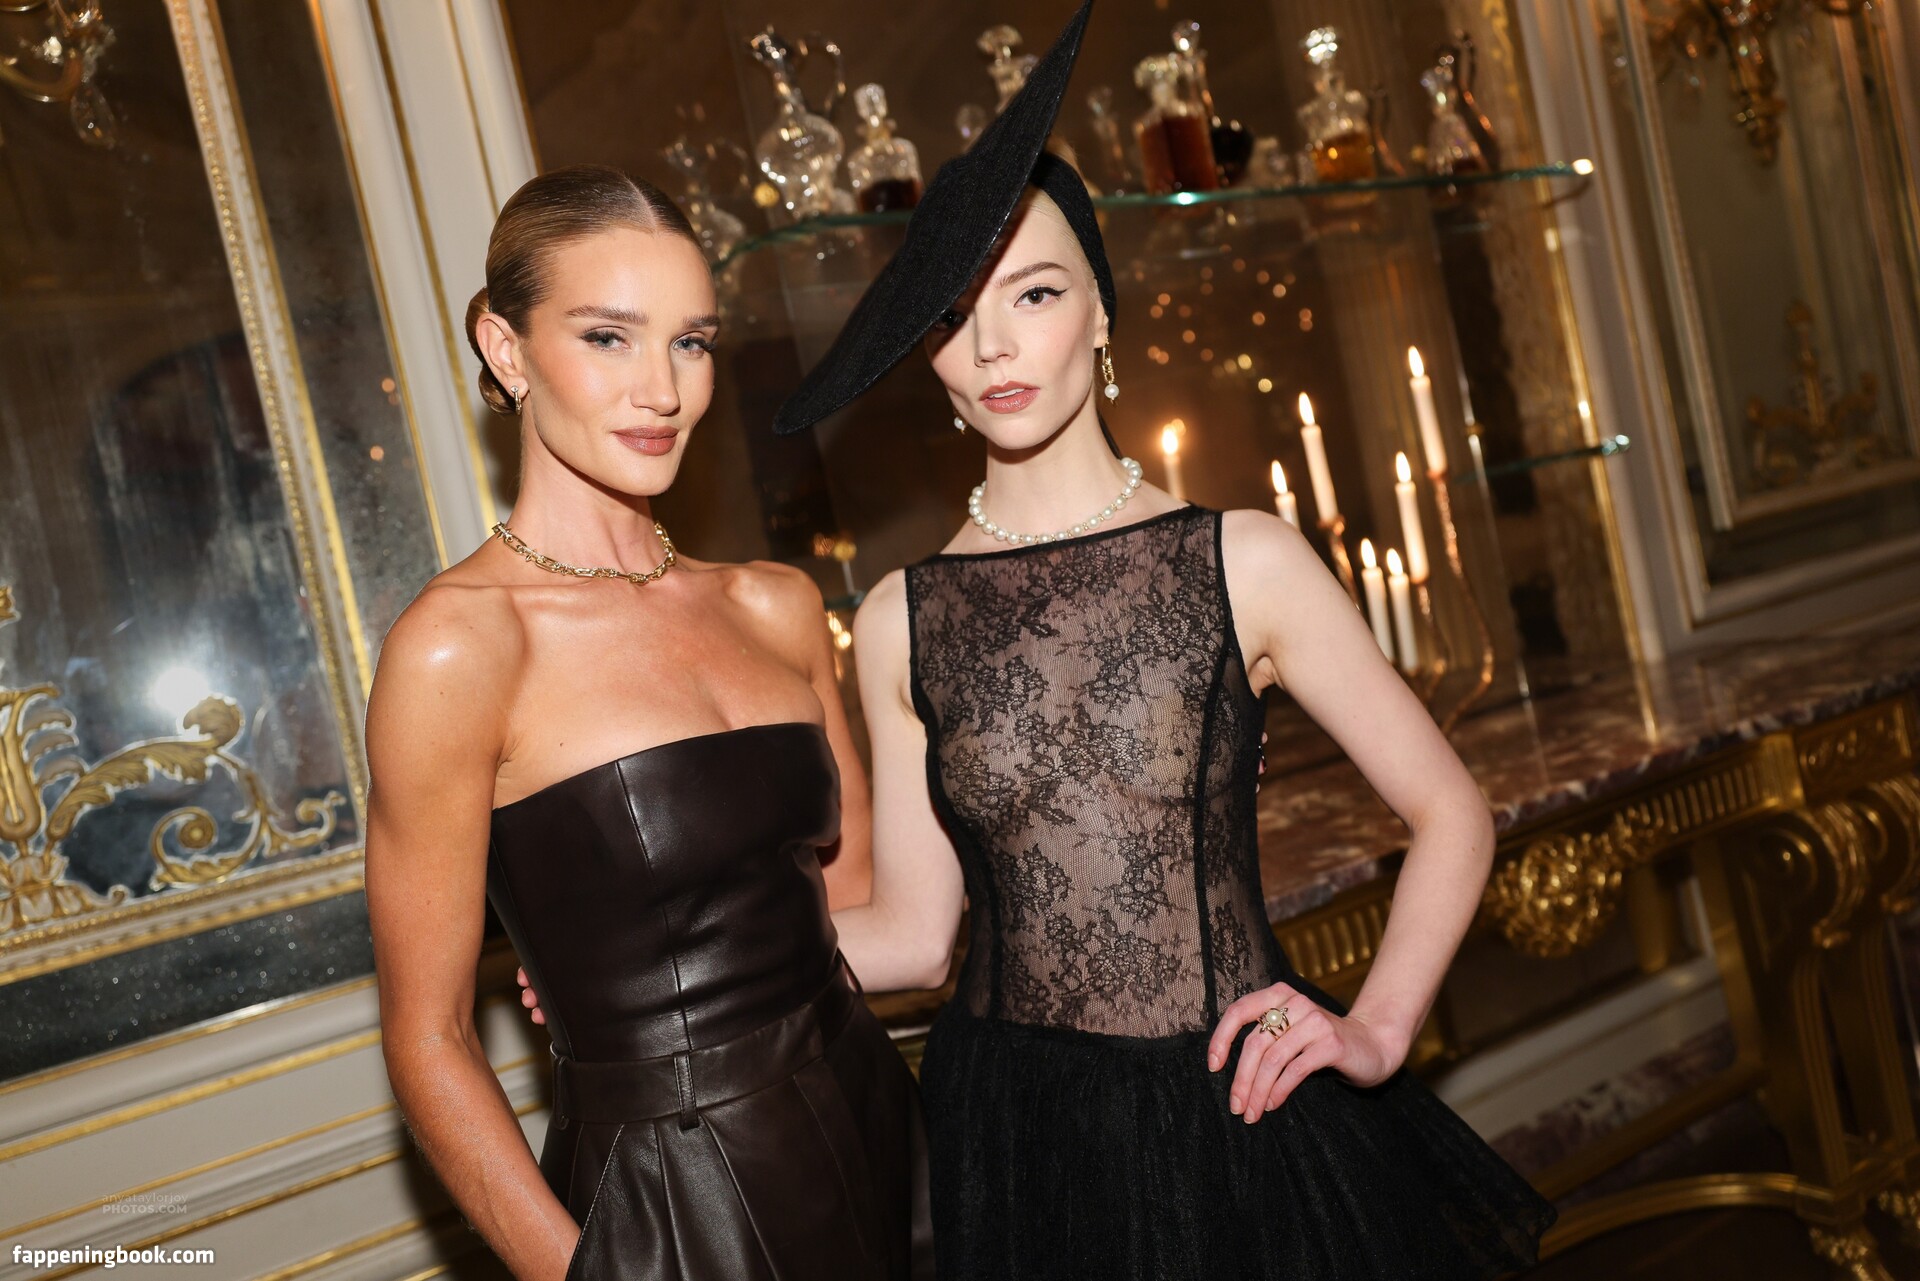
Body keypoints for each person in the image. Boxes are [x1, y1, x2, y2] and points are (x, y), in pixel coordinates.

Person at [770, 4, 1557, 1278]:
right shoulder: (900, 617)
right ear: (929, 355)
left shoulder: (1243, 560)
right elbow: (913, 937)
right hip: (1012, 1130)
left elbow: (1451, 814)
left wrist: (1375, 1031)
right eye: (955, 315)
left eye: (1035, 294)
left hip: (1227, 1107)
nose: (993, 345)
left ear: (1101, 313)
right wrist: (668, 955)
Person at [364, 165, 930, 1281]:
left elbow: (847, 909)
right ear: (507, 350)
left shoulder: (775, 606)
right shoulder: (459, 648)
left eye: (691, 342)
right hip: (676, 1201)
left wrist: (651, 957)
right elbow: (428, 1042)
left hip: (882, 1136)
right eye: (608, 337)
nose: (662, 390)